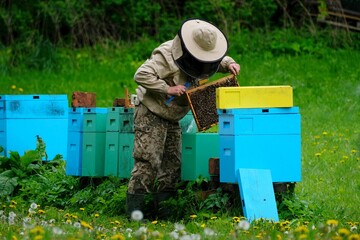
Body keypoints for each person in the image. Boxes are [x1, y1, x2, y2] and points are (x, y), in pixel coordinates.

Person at [126, 19, 240, 218]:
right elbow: (141, 74)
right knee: (148, 161)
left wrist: (229, 62)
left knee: (172, 164)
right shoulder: (166, 55)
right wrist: (167, 88)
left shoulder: (203, 56)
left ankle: (164, 212)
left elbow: (215, 59)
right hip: (152, 111)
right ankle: (135, 213)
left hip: (173, 116)